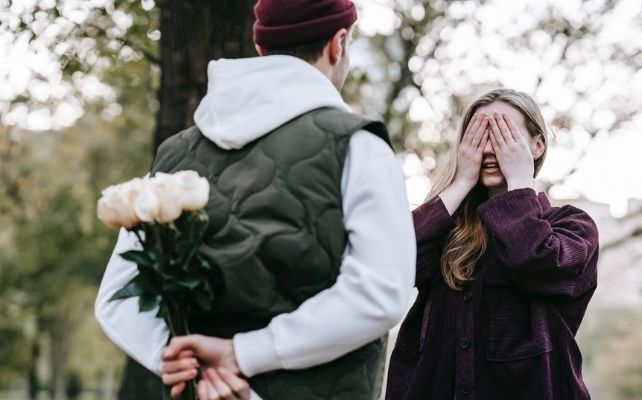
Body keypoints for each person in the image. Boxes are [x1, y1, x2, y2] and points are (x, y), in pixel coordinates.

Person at [94, 1, 416, 399]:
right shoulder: (358, 145)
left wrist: (180, 361)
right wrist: (240, 355)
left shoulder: (174, 157)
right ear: (340, 43)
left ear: (261, 48)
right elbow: (381, 293)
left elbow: (118, 297)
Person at [385, 89, 599, 400]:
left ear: (538, 145)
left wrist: (520, 182)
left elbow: (537, 261)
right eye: (479, 135)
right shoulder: (446, 227)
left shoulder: (573, 227)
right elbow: (390, 263)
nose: (489, 148)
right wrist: (460, 182)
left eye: (503, 134)